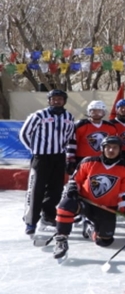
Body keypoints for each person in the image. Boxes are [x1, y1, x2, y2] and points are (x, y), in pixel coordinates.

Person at [53, 136, 125, 260]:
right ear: (102, 149)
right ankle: (61, 239)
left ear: (120, 150)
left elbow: (124, 194)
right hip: (85, 203)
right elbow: (74, 180)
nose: (111, 150)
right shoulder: (88, 162)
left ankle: (90, 228)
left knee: (105, 241)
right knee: (66, 205)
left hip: (107, 208)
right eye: (108, 147)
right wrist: (72, 189)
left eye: (115, 148)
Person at [20, 89, 75, 235]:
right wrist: (35, 150)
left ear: (64, 101)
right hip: (41, 158)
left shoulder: (69, 117)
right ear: (49, 100)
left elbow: (69, 137)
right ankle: (31, 221)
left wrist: (66, 154)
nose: (57, 101)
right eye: (54, 98)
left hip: (58, 157)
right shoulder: (39, 115)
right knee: (36, 190)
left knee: (56, 190)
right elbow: (24, 133)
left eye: (60, 99)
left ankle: (48, 215)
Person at [66, 100, 117, 174]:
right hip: (82, 159)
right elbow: (72, 143)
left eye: (99, 111)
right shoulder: (80, 125)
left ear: (104, 112)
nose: (96, 113)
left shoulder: (110, 127)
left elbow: (113, 145)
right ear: (88, 111)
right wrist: (70, 159)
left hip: (103, 159)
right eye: (93, 111)